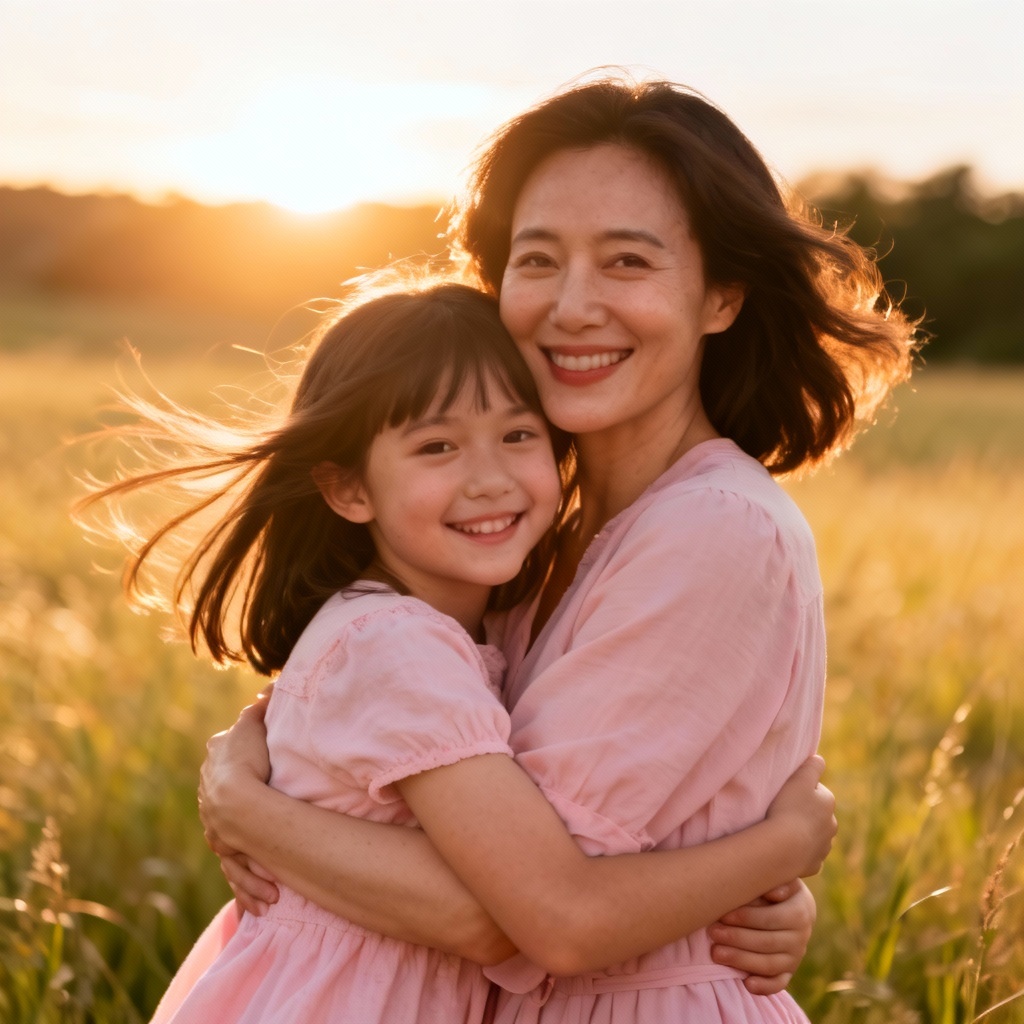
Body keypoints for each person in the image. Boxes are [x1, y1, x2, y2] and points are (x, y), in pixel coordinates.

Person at [198, 74, 921, 1022]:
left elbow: (536, 912)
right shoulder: (528, 537)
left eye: (627, 262)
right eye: (537, 261)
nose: (572, 306)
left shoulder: (713, 529)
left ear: (722, 295)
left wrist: (255, 815)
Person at [79, 279, 836, 1024]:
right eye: (437, 446)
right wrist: (781, 848)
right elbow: (515, 912)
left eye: (517, 435)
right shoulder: (396, 645)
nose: (489, 479)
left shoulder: (460, 625)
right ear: (348, 490)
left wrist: (249, 808)